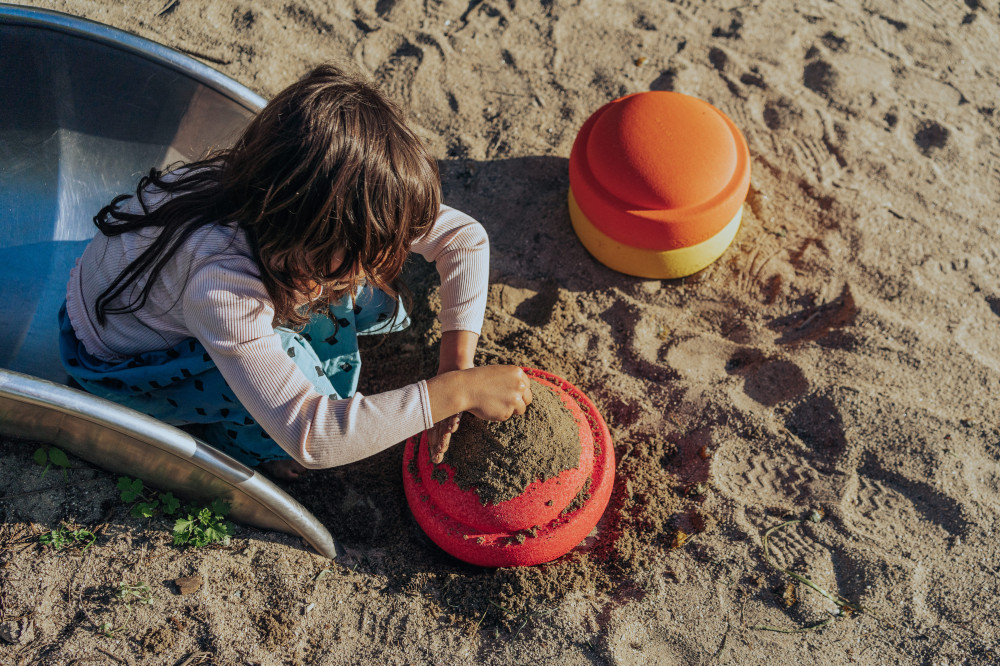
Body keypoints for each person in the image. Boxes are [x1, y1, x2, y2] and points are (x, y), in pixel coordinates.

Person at [59, 63, 532, 480]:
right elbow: (314, 435)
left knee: (368, 296)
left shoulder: (290, 206)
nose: (374, 265)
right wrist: (453, 392)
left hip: (184, 294)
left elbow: (463, 238)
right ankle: (245, 444)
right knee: (290, 379)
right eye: (359, 253)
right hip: (130, 368)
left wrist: (457, 362)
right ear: (310, 232)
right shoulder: (221, 289)